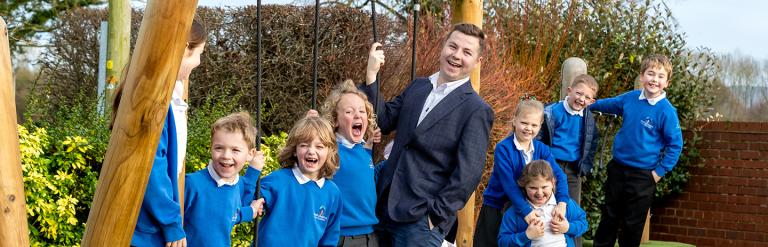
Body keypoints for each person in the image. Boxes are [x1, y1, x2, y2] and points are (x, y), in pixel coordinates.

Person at [362, 23, 495, 246]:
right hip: (382, 207)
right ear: (443, 47)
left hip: (421, 223)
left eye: (467, 52)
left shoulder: (476, 110)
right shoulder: (418, 86)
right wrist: (371, 75)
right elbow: (383, 121)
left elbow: (468, 174)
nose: (456, 55)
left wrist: (435, 216)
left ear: (477, 62)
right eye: (453, 46)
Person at [112, 19, 207, 247]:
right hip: (146, 229)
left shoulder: (168, 96)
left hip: (148, 225)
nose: (199, 62)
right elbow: (153, 168)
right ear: (183, 49)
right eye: (198, 53)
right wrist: (171, 223)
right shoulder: (156, 104)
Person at [590, 54, 683, 247]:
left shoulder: (667, 111)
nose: (654, 80)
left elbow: (675, 146)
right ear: (642, 76)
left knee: (632, 224)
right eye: (650, 74)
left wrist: (659, 172)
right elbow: (609, 104)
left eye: (660, 76)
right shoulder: (631, 98)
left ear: (667, 82)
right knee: (609, 215)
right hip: (618, 168)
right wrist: (588, 103)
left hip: (643, 176)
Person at [474, 99, 570, 247]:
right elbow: (509, 185)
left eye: (534, 125)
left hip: (527, 206)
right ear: (514, 121)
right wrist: (526, 212)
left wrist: (562, 202)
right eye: (524, 123)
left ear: (540, 126)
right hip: (498, 206)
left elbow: (559, 176)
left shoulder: (542, 149)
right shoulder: (503, 148)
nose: (528, 128)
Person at [252, 116, 343, 247]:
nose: (311, 151)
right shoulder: (278, 180)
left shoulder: (332, 193)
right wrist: (253, 172)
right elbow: (246, 199)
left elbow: (330, 237)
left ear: (329, 151)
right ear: (295, 150)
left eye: (320, 146)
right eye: (304, 145)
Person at [182, 112, 264, 246]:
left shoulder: (237, 185)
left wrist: (251, 211)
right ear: (211, 148)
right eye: (219, 148)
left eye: (235, 150)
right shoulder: (192, 184)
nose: (226, 156)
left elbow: (231, 214)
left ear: (250, 154)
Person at [319, 79, 381, 246]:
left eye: (362, 111)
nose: (358, 115)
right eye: (349, 112)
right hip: (341, 235)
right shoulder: (329, 149)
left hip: (370, 235)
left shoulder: (363, 150)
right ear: (335, 120)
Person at [539, 74, 600, 204]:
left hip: (573, 170)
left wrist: (585, 166)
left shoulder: (588, 119)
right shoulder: (552, 112)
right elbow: (540, 138)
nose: (581, 99)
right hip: (551, 165)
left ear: (591, 102)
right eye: (578, 93)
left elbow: (592, 142)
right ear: (569, 90)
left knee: (570, 207)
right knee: (546, 204)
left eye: (587, 97)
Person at [497, 160, 588, 247]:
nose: (539, 193)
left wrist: (568, 227)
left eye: (544, 187)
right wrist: (526, 235)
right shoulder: (515, 212)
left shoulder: (565, 205)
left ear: (553, 183)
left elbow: (583, 223)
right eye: (533, 188)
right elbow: (502, 242)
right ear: (524, 186)